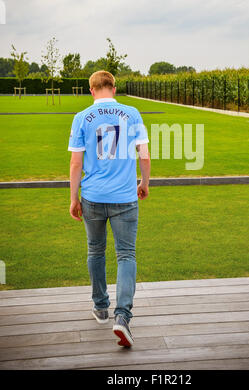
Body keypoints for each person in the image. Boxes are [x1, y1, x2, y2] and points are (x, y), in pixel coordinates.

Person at [68, 70, 150, 347]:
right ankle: (122, 317)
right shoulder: (132, 113)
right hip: (125, 197)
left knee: (95, 250)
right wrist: (145, 182)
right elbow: (145, 154)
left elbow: (75, 164)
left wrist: (73, 198)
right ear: (113, 88)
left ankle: (101, 308)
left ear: (91, 90)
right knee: (126, 254)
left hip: (92, 197)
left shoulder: (81, 118)